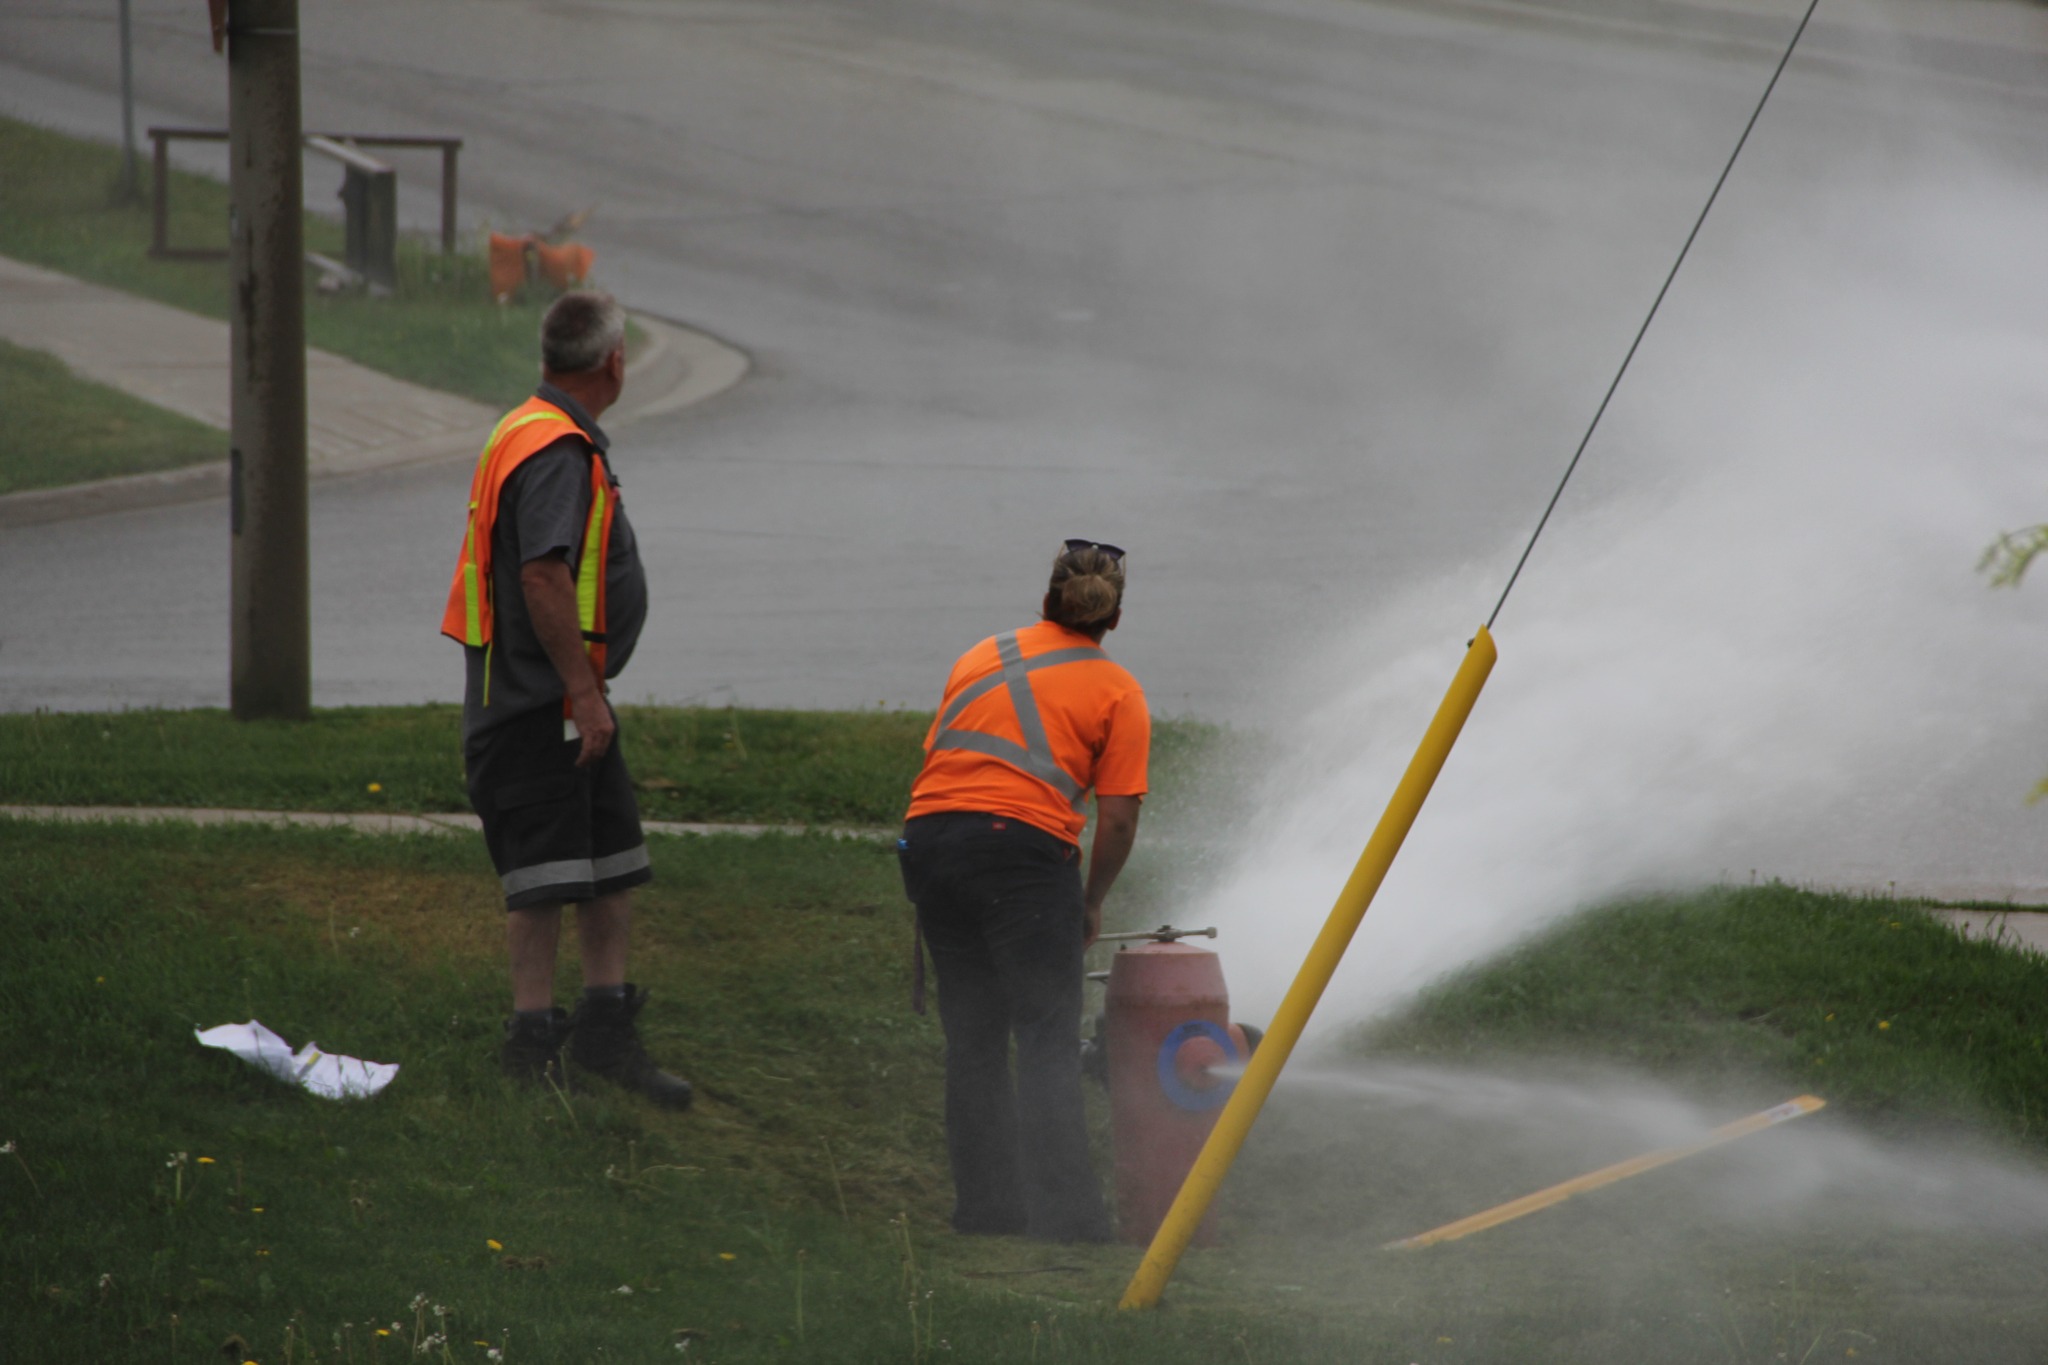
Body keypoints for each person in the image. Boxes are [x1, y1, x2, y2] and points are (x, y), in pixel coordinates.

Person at [439, 289, 691, 1109]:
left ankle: (606, 1030)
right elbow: (542, 574)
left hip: (573, 703)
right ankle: (532, 1045)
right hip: (536, 706)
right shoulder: (553, 450)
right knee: (544, 879)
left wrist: (588, 698)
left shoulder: (534, 426)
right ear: (614, 362)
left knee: (610, 864)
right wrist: (582, 693)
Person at [897, 541, 1150, 1242]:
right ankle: (1070, 1222)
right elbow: (1120, 817)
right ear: (1115, 619)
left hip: (929, 844)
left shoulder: (980, 655)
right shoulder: (1118, 690)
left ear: (1045, 600)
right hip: (1021, 857)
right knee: (1045, 1037)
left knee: (973, 1039)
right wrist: (1092, 898)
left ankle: (987, 1213)